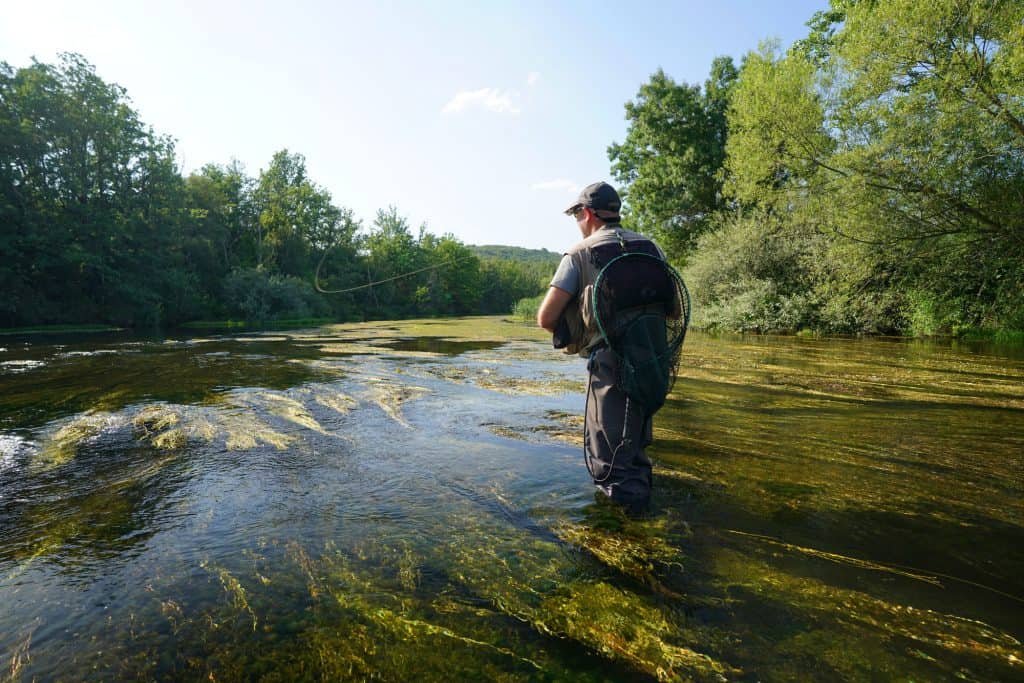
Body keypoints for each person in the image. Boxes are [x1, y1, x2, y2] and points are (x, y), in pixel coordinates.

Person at [537, 181, 671, 512]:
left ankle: (626, 540)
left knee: (610, 462)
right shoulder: (652, 248)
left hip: (610, 368)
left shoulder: (579, 254)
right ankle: (643, 518)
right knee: (636, 450)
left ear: (587, 214)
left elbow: (545, 317)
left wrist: (577, 331)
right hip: (653, 362)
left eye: (576, 216)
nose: (578, 224)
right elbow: (674, 310)